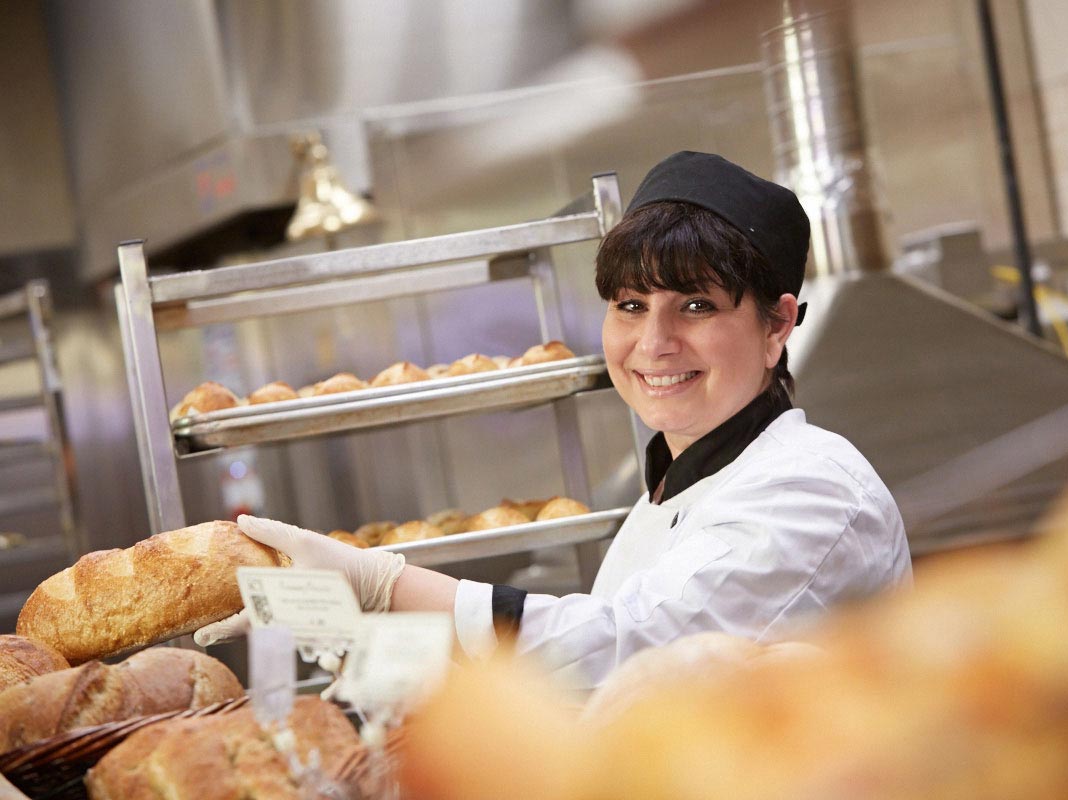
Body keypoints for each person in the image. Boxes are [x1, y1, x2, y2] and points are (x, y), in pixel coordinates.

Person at [196, 151, 912, 690]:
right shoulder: (676, 486)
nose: (653, 343)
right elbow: (584, 698)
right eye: (631, 305)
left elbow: (625, 655)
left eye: (695, 305)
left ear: (776, 322)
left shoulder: (812, 489)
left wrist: (386, 586)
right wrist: (358, 631)